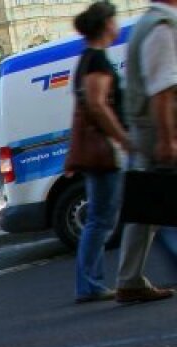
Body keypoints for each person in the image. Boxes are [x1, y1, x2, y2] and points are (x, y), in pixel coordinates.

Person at [113, 0, 177, 303]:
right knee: (151, 202)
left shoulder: (146, 24)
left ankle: (129, 279)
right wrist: (168, 139)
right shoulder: (162, 26)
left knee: (146, 207)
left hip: (147, 128)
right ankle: (129, 279)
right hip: (158, 129)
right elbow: (163, 89)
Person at [71, 2, 133, 303]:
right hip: (105, 151)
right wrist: (123, 138)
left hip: (99, 150)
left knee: (102, 217)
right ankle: (90, 283)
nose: (116, 24)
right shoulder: (96, 61)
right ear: (105, 24)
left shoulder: (87, 58)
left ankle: (91, 282)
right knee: (101, 219)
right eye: (113, 19)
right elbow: (96, 104)